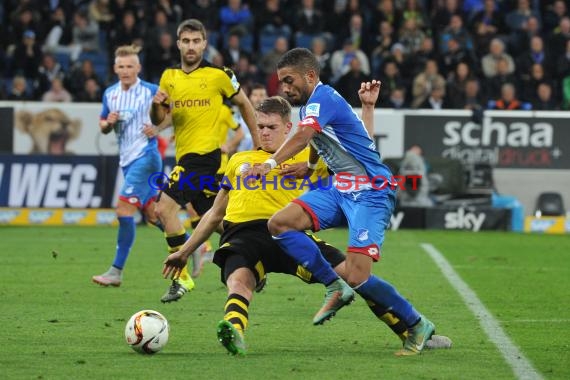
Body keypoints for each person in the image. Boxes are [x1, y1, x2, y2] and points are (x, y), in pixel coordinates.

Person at [163, 93, 452, 356]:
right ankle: (234, 330)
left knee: (355, 276)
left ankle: (411, 331)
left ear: (288, 128)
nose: (263, 132)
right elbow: (215, 214)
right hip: (243, 234)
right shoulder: (239, 161)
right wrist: (185, 251)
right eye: (260, 126)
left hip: (290, 235)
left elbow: (362, 152)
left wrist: (367, 108)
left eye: (271, 127)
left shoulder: (305, 153)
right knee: (239, 280)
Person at [247, 48, 438, 356]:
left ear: (310, 76)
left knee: (359, 275)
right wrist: (309, 167)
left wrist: (269, 164)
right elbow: (315, 139)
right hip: (339, 188)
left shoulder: (325, 98)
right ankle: (334, 285)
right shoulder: (312, 104)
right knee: (280, 224)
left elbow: (305, 134)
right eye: (281, 82)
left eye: (289, 80)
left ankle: (416, 324)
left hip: (372, 191)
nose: (284, 88)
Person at [149, 19, 260, 303]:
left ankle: (181, 277)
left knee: (164, 208)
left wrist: (259, 143)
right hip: (185, 155)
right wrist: (155, 105)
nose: (191, 46)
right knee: (218, 219)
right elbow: (160, 119)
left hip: (205, 157)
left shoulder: (219, 74)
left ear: (204, 43)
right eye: (185, 41)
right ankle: (258, 260)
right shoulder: (169, 77)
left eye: (196, 41)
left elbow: (245, 104)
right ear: (178, 44)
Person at [92, 45, 165, 287]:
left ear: (138, 68)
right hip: (127, 160)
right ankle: (195, 245)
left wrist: (157, 128)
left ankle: (116, 271)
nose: (125, 70)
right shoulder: (110, 94)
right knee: (154, 215)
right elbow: (103, 125)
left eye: (130, 66)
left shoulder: (151, 91)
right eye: (121, 66)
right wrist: (107, 123)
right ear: (115, 68)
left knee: (123, 211)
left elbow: (173, 112)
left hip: (146, 156)